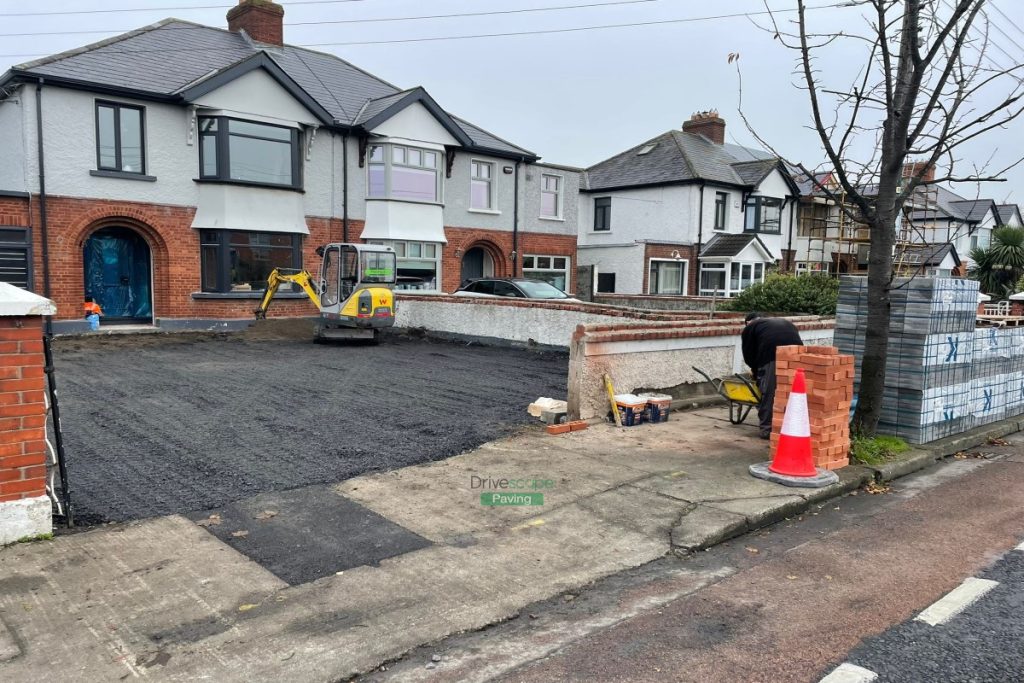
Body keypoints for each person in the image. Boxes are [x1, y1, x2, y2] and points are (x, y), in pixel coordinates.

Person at [741, 312, 803, 439]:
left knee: (769, 393)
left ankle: (767, 429)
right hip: (797, 354)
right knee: (792, 391)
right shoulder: (779, 322)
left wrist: (756, 371)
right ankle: (792, 426)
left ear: (747, 323)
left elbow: (748, 354)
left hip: (772, 356)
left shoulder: (750, 328)